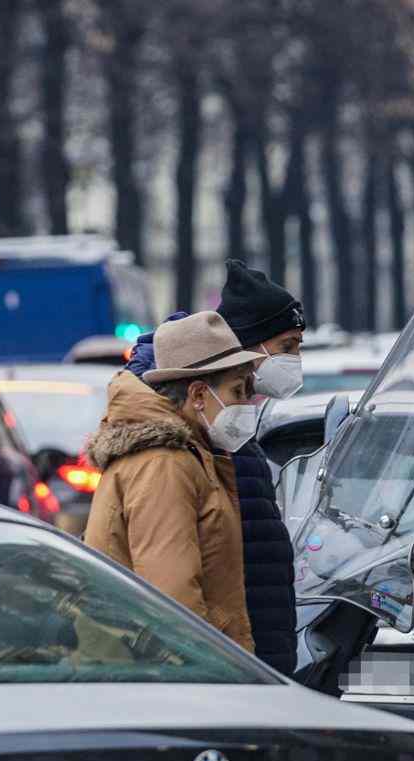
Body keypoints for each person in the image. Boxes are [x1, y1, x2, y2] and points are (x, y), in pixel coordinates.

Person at [84, 311, 264, 652]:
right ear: (197, 394)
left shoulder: (188, 455)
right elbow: (173, 602)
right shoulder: (164, 463)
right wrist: (211, 673)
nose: (246, 404)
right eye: (238, 390)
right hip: (176, 675)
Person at [213, 259, 305, 675]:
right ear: (249, 347)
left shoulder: (241, 431)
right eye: (287, 347)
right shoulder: (221, 436)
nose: (296, 360)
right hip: (245, 660)